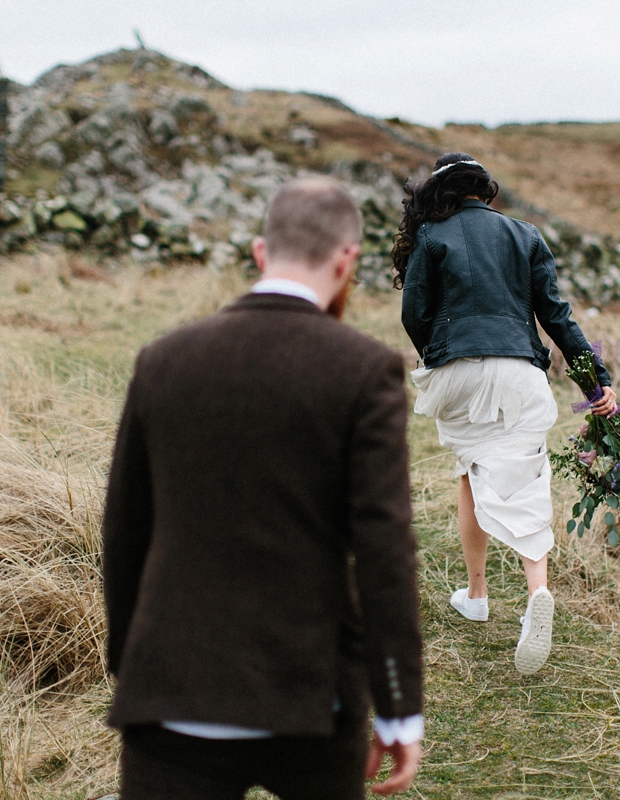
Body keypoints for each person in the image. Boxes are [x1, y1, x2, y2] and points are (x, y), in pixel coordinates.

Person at [103, 177, 424, 800]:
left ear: (260, 252)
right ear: (347, 260)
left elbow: (124, 533)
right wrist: (397, 707)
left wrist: (133, 668)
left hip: (170, 691)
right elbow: (385, 552)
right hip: (308, 697)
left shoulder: (162, 360)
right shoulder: (363, 370)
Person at [394, 153, 618, 675]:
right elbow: (557, 318)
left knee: (473, 468)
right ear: (483, 189)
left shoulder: (431, 235)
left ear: (442, 192)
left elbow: (413, 313)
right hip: (521, 369)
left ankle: (476, 595)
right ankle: (536, 591)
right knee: (525, 478)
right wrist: (596, 383)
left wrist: (440, 353)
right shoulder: (526, 236)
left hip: (457, 371)